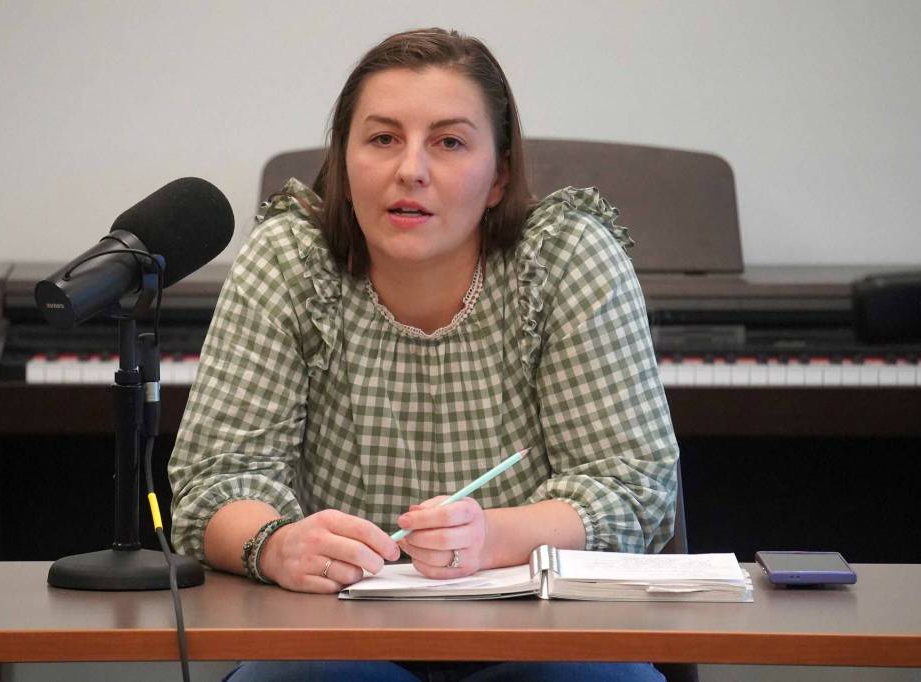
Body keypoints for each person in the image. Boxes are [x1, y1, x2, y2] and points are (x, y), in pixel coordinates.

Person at [170, 27, 678, 682]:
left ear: (497, 177)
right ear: (345, 164)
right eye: (383, 139)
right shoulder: (289, 258)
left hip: (544, 632)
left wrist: (488, 538)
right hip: (335, 637)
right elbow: (212, 482)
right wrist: (275, 544)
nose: (411, 168)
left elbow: (634, 487)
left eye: (449, 142)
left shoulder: (565, 256)